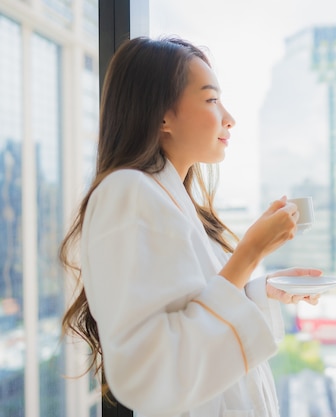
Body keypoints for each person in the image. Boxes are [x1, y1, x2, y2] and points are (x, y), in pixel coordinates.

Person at [60, 36, 322, 417]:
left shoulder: (174, 203)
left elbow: (189, 310)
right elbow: (148, 374)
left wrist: (262, 291)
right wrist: (251, 252)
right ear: (163, 115)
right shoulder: (127, 192)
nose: (228, 117)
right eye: (211, 100)